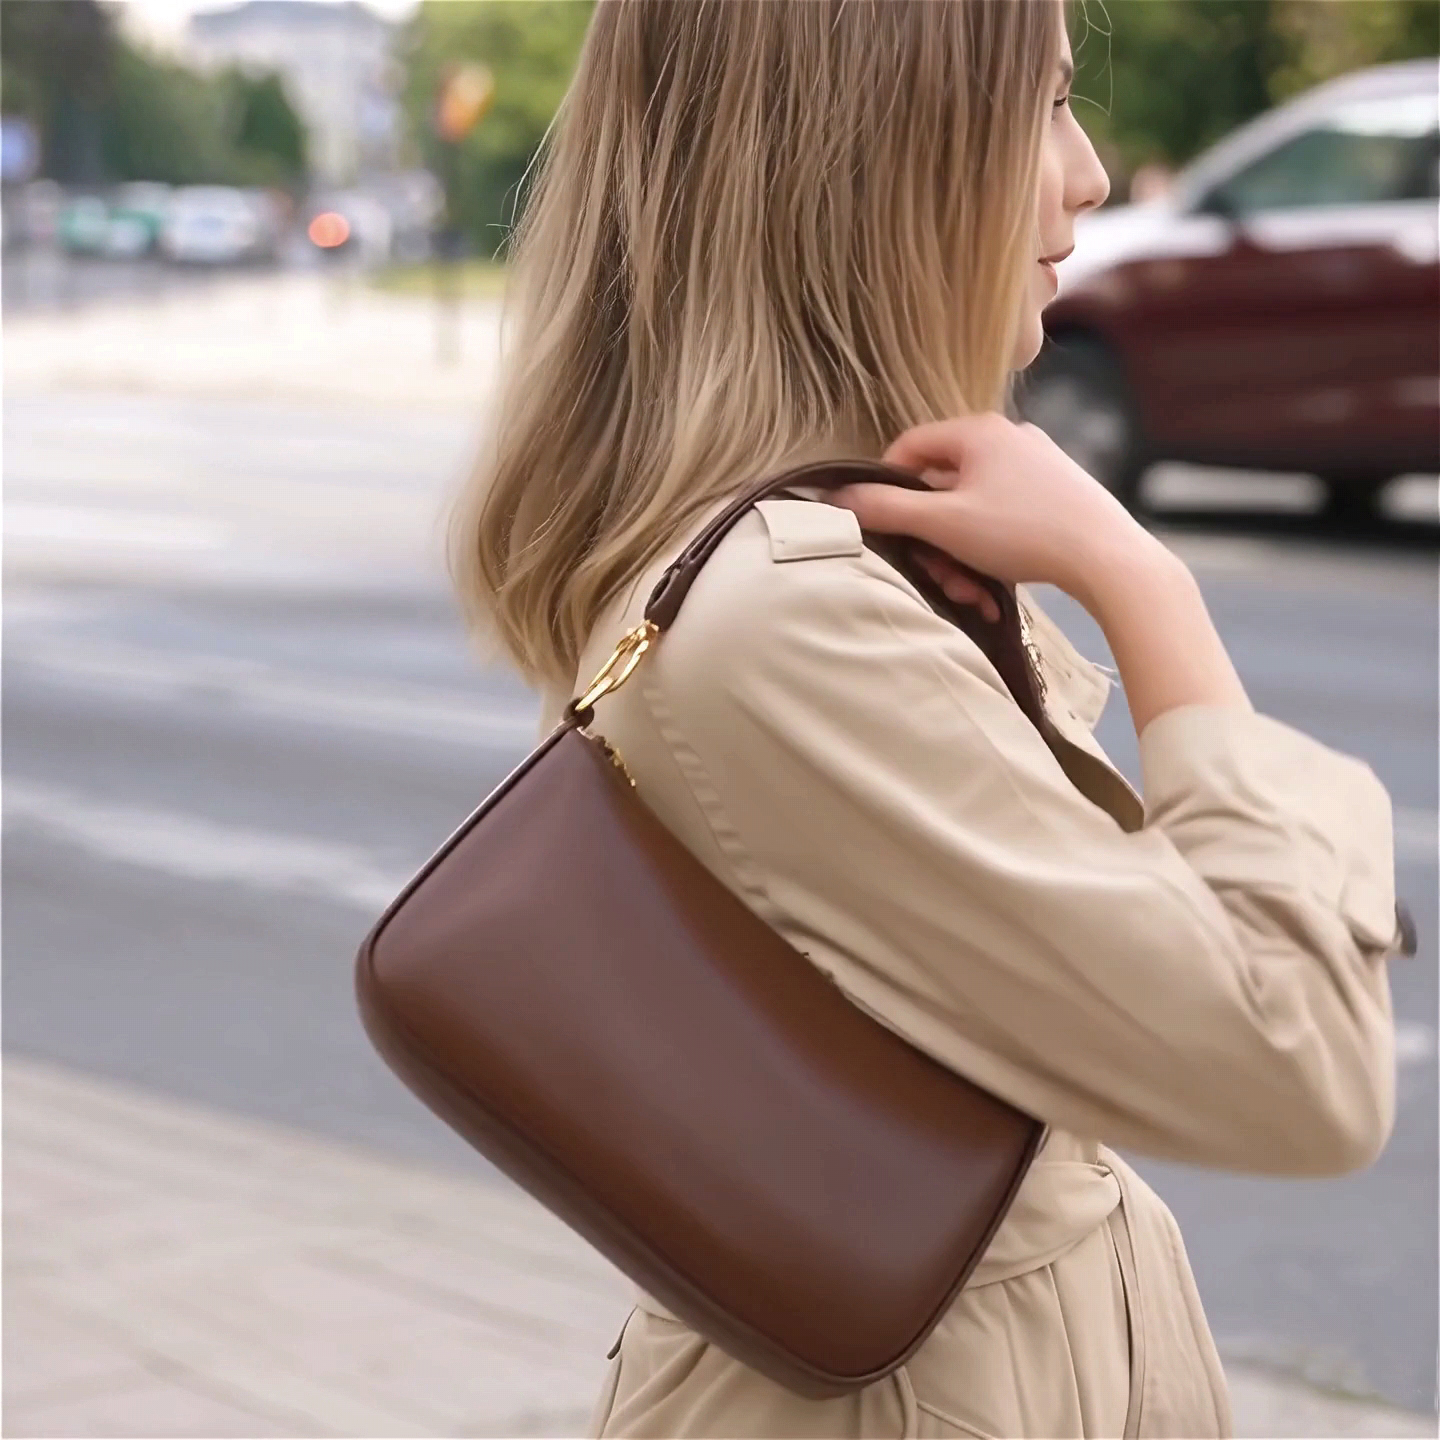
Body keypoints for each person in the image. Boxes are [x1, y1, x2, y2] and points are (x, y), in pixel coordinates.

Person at [451, 2, 1406, 1435]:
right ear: (879, 159)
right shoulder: (791, 615)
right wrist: (1146, 585)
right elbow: (1301, 1067)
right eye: (1043, 106)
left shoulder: (814, 560)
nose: (1089, 174)